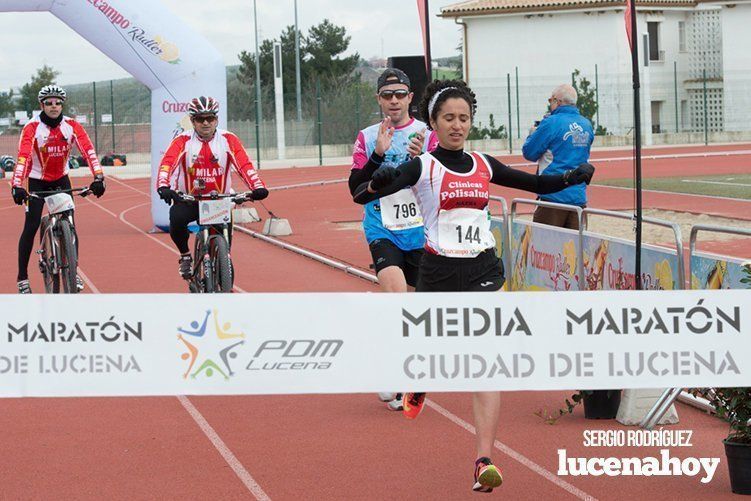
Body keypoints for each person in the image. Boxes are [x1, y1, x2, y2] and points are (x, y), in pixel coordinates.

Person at [353, 79, 594, 493]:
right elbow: (361, 194)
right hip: (438, 272)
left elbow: (534, 184)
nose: (457, 125)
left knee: (486, 363)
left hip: (483, 270)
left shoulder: (483, 163)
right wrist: (378, 177)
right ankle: (418, 379)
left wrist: (574, 175)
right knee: (424, 346)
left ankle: (483, 460)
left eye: (464, 118)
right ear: (433, 122)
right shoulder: (423, 166)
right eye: (449, 118)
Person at [348, 68, 438, 411]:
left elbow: (438, 180)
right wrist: (379, 155)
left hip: (419, 233)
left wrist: (423, 160)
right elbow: (354, 187)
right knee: (396, 297)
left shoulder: (426, 135)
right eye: (388, 95)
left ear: (411, 97)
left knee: (414, 312)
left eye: (400, 94)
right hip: (381, 229)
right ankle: (397, 374)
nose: (394, 100)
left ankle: (392, 363)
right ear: (379, 99)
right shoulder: (368, 136)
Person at [156, 96, 268, 279]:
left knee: (224, 249)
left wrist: (258, 187)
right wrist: (163, 186)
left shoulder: (228, 139)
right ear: (192, 121)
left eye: (210, 118)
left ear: (216, 119)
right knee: (176, 220)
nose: (206, 123)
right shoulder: (182, 140)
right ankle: (185, 256)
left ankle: (223, 264)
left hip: (219, 200)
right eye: (200, 119)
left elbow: (244, 165)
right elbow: (167, 164)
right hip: (190, 199)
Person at [10, 85, 106, 294]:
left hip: (61, 180)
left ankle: (73, 271)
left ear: (62, 104)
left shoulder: (71, 125)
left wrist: (98, 177)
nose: (54, 106)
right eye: (49, 103)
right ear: (41, 105)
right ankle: (22, 278)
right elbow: (23, 157)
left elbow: (88, 150)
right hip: (36, 181)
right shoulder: (32, 128)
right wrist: (17, 185)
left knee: (70, 225)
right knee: (31, 225)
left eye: (58, 102)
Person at [522, 84, 594, 230]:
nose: (550, 104)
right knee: (575, 249)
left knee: (544, 247)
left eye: (550, 100)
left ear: (558, 101)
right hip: (578, 197)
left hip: (552, 196)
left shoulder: (551, 122)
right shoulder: (587, 124)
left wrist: (532, 133)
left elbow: (529, 152)